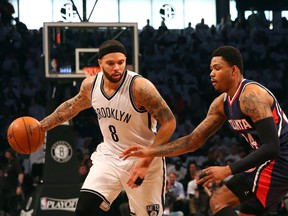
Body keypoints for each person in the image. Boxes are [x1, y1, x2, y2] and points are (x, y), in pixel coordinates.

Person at [121, 45, 288, 216]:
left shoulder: (251, 96)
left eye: (217, 68)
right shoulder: (221, 104)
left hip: (280, 161)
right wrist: (150, 151)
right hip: (271, 162)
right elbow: (192, 141)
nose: (211, 74)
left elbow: (272, 147)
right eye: (210, 69)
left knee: (218, 201)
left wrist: (227, 169)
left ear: (234, 70)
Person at [39, 39, 176, 215]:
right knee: (84, 210)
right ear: (100, 63)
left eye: (121, 62)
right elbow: (70, 107)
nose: (117, 68)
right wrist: (40, 127)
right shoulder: (91, 85)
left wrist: (146, 160)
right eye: (110, 63)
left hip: (144, 157)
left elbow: (169, 122)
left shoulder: (140, 87)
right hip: (110, 156)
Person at [0, 148, 24, 216]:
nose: (7, 155)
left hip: (12, 188)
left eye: (8, 154)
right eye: (6, 154)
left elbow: (20, 174)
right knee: (2, 205)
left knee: (12, 206)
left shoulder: (15, 162)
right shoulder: (4, 162)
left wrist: (19, 186)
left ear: (12, 154)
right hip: (3, 188)